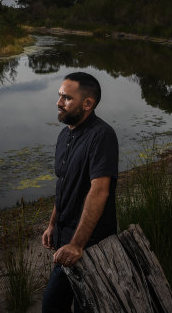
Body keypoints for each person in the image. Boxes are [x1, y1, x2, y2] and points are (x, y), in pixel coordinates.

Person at [41, 72, 119, 313]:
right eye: (59, 96)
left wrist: (77, 244)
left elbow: (99, 191)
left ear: (87, 104)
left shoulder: (101, 136)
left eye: (67, 97)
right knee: (52, 306)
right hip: (65, 240)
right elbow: (64, 185)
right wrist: (53, 224)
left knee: (86, 308)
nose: (59, 102)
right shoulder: (65, 135)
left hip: (90, 245)